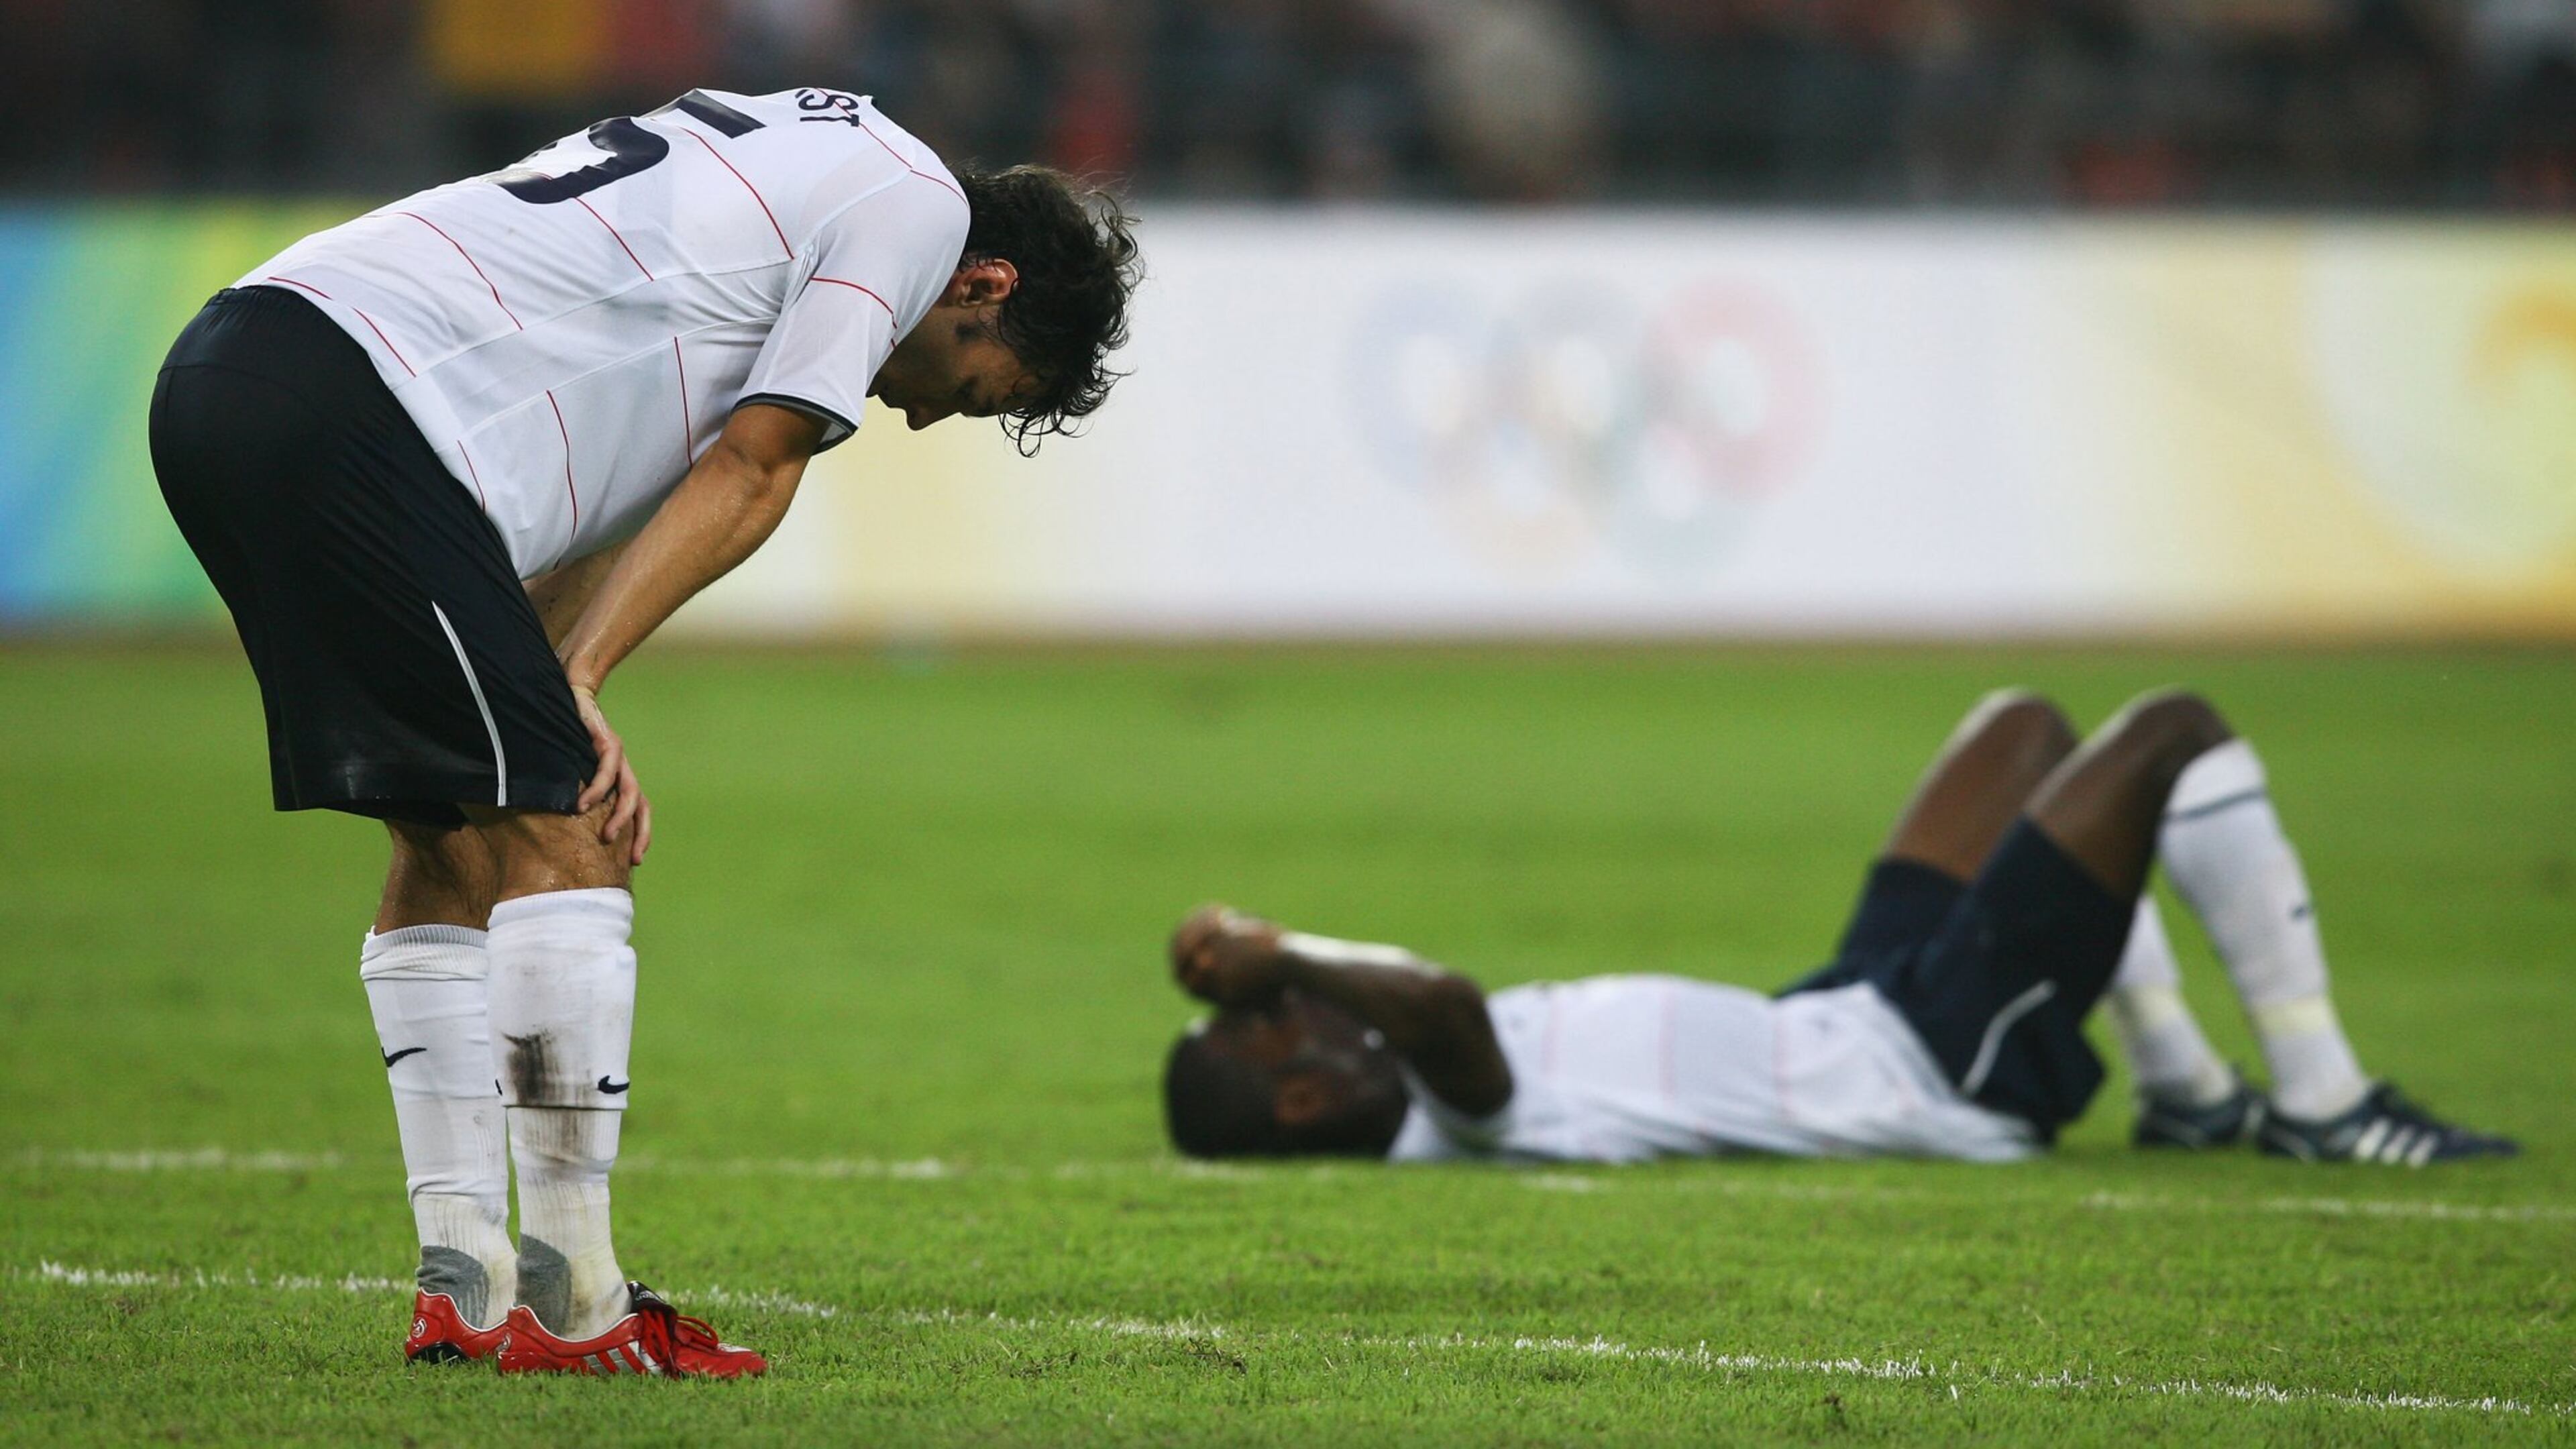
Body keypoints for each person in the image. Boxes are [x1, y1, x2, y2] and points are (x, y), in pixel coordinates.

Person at [149, 85, 1140, 1378]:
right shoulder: (917, 207)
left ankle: (463, 1282)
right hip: (368, 401)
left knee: (454, 834)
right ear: (986, 282)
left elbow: (608, 508)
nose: (936, 412)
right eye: (986, 384)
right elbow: (758, 462)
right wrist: (582, 689)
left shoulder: (807, 156)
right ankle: (577, 1307)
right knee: (572, 842)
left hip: (243, 367)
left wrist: (561, 676)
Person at [1162, 689, 2516, 1169]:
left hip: (1850, 1005)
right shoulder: (1458, 1119)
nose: (1322, 1010)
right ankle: (2326, 1101)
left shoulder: (1425, 1096)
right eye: (1290, 1021)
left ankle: (2192, 1101)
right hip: (1933, 1066)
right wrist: (1282, 949)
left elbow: (1422, 1002)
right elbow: (1444, 1002)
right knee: (2173, 733)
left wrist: (1284, 961)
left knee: (2027, 728)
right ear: (1297, 1100)